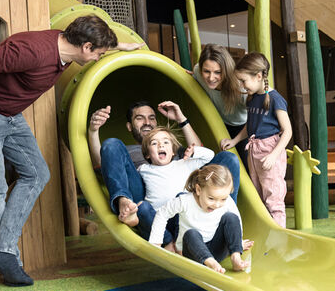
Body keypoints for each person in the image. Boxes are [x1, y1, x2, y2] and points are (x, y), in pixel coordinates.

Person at [0, 15, 143, 286]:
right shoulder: (32, 52)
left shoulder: (67, 46)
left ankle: (2, 250)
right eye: (99, 54)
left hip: (10, 114)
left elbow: (91, 41)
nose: (98, 59)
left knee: (37, 174)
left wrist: (120, 46)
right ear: (86, 47)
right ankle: (10, 259)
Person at [87, 100, 241, 234]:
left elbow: (197, 151)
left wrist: (182, 119)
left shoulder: (169, 147)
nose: (147, 122)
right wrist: (93, 131)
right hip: (143, 199)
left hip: (183, 195)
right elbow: (104, 165)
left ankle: (226, 217)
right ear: (129, 126)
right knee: (111, 143)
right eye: (140, 118)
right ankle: (124, 203)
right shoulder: (125, 151)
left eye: (152, 118)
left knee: (228, 158)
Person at [221, 52, 292, 228]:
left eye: (244, 81)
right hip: (254, 150)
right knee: (259, 196)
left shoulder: (275, 99)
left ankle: (280, 237)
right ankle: (267, 233)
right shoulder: (253, 98)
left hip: (270, 151)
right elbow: (251, 125)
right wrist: (235, 140)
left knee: (273, 197)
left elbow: (287, 131)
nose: (242, 86)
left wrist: (274, 156)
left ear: (259, 76)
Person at [149, 164, 251, 274]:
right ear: (198, 190)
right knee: (191, 234)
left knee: (231, 217)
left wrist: (237, 243)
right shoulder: (185, 201)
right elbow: (163, 213)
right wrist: (156, 243)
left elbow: (236, 221)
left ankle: (235, 258)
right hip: (192, 254)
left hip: (216, 251)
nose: (217, 204)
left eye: (223, 199)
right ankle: (211, 263)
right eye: (211, 198)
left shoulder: (226, 201)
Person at [136, 127, 216, 250]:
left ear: (173, 151)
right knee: (142, 208)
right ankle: (168, 242)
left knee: (181, 197)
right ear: (147, 154)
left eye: (165, 142)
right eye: (154, 143)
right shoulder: (143, 169)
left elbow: (209, 156)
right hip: (158, 222)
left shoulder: (184, 163)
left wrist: (194, 152)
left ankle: (179, 242)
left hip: (183, 220)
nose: (160, 145)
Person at [193, 44, 247, 156]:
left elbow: (256, 119)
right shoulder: (197, 71)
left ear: (226, 71)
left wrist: (235, 140)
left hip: (243, 129)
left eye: (218, 72)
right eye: (206, 71)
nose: (211, 78)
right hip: (219, 123)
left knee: (246, 167)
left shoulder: (241, 87)